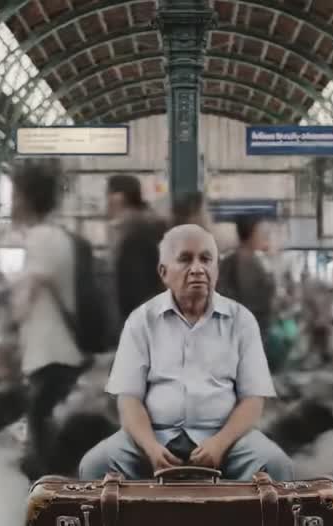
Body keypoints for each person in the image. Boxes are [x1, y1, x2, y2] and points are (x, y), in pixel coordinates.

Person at [78, 224, 293, 482]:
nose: (197, 269)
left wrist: (219, 444)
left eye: (206, 259)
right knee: (95, 465)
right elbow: (129, 399)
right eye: (185, 259)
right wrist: (151, 448)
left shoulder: (241, 320)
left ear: (216, 269)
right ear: (164, 272)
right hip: (154, 436)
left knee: (275, 464)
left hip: (226, 438)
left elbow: (253, 399)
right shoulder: (142, 320)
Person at [10, 162, 86, 480]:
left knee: (43, 450)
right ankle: (50, 516)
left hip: (52, 353)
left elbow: (25, 299)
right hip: (57, 353)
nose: (11, 203)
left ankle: (53, 519)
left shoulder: (40, 237)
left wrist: (13, 317)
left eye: (14, 195)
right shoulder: (57, 236)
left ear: (26, 198)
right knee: (41, 443)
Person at [217, 214, 277, 363]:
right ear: (252, 233)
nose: (263, 236)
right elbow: (249, 301)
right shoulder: (249, 262)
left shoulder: (228, 261)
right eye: (261, 232)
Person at [108, 175, 167, 320]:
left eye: (108, 195)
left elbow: (136, 285)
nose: (106, 204)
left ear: (118, 198)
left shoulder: (134, 233)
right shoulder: (147, 225)